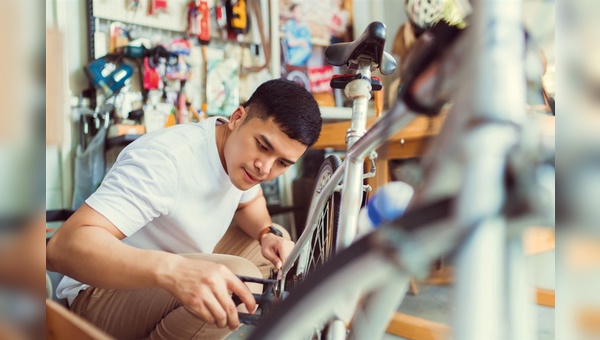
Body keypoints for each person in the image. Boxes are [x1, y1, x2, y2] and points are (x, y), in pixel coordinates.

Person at [46, 78, 322, 339]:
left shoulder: (240, 158)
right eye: (262, 146)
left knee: (274, 250)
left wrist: (267, 233)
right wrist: (174, 270)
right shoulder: (166, 160)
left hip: (170, 266)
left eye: (282, 164)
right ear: (237, 118)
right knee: (231, 288)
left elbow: (250, 202)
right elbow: (61, 249)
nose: (265, 168)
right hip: (98, 295)